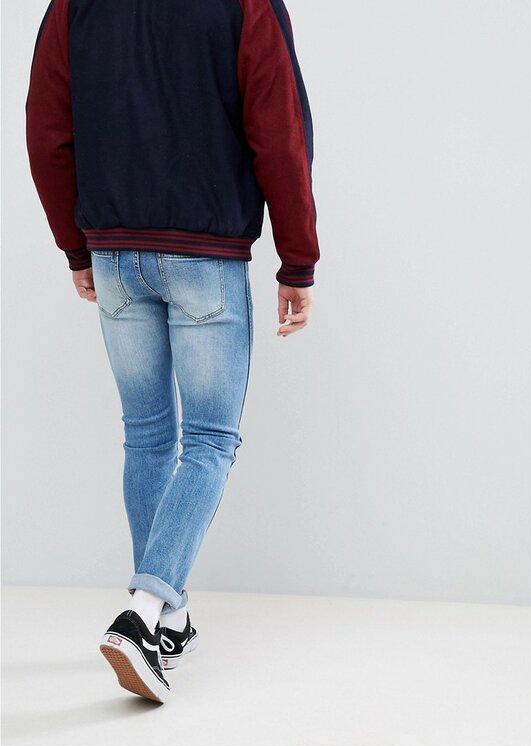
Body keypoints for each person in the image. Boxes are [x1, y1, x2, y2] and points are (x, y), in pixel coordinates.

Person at [25, 0, 320, 704]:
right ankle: (143, 608)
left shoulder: (72, 5)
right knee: (210, 441)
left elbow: (46, 131)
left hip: (115, 254)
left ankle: (167, 622)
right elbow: (279, 132)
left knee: (147, 436)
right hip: (205, 256)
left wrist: (76, 246)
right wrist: (297, 260)